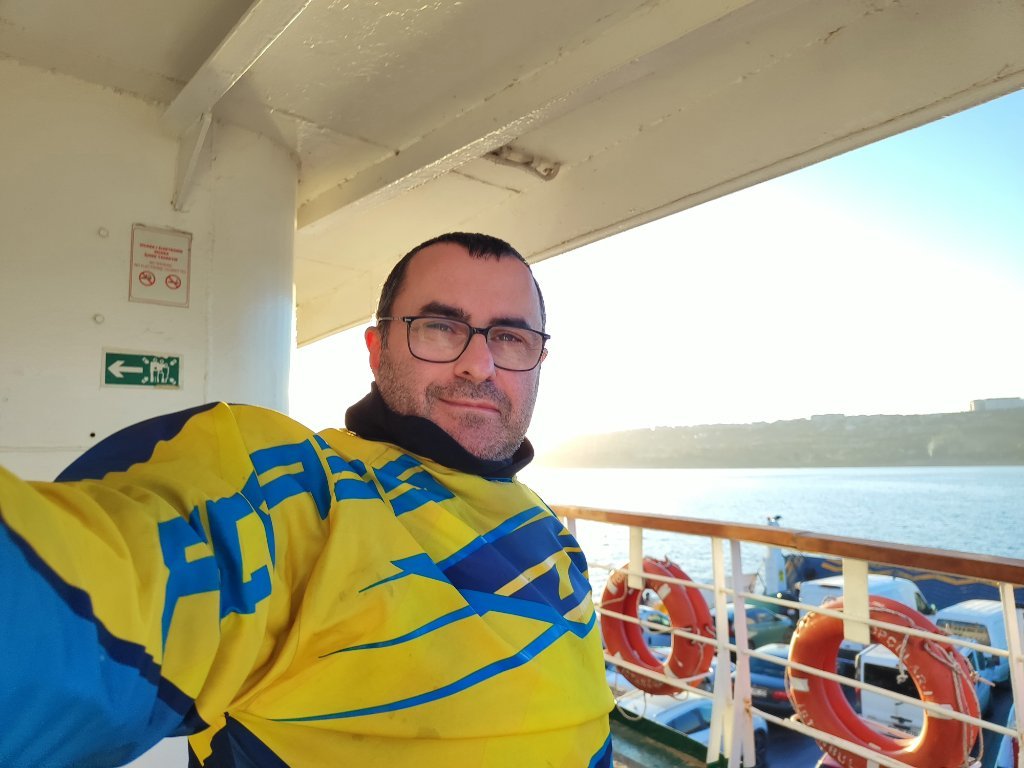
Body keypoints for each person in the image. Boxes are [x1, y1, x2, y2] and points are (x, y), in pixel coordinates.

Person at [0, 232, 614, 767]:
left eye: (509, 337)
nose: (479, 364)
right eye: (440, 327)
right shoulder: (297, 489)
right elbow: (86, 599)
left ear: (537, 360)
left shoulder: (542, 521)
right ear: (377, 350)